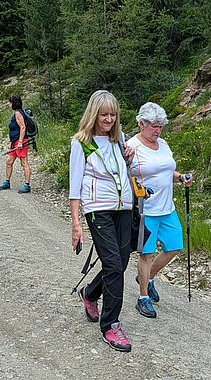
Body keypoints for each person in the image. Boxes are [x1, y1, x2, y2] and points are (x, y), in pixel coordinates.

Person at [69, 90, 134, 352]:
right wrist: (76, 225)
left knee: (120, 262)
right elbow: (75, 187)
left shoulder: (119, 140)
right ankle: (111, 325)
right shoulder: (82, 143)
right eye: (104, 114)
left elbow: (125, 174)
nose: (108, 119)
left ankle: (90, 293)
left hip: (124, 208)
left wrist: (128, 161)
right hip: (98, 210)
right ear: (93, 114)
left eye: (113, 114)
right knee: (114, 266)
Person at [127, 102, 193, 318]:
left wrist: (180, 177)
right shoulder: (131, 147)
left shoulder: (163, 143)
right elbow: (125, 177)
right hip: (145, 210)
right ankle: (143, 297)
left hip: (167, 207)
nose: (157, 130)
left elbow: (167, 170)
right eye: (154, 126)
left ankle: (148, 277)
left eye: (160, 126)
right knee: (146, 254)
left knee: (174, 246)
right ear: (141, 124)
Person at [0, 94, 31, 194]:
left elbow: (23, 127)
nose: (8, 104)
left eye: (9, 102)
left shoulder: (18, 114)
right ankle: (7, 182)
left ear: (13, 103)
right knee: (9, 161)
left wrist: (20, 142)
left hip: (20, 142)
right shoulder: (17, 113)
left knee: (24, 162)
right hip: (15, 142)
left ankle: (27, 185)